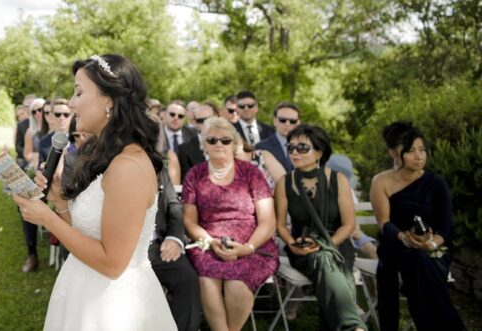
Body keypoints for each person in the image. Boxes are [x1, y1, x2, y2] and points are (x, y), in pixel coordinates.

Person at [14, 54, 174, 330]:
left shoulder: (128, 167)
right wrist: (58, 200)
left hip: (112, 307)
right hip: (83, 289)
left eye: (78, 92)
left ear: (109, 100)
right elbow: (87, 236)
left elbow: (112, 263)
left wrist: (46, 219)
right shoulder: (108, 155)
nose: (72, 103)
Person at [182, 116, 278, 331]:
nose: (218, 144)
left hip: (254, 245)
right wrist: (210, 241)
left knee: (237, 280)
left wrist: (248, 247)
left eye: (225, 140)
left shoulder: (251, 173)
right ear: (203, 144)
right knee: (207, 277)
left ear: (235, 144)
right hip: (208, 244)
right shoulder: (195, 175)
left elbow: (268, 220)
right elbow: (189, 221)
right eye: (212, 140)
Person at [370, 125, 465, 331]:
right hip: (396, 244)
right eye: (411, 150)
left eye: (422, 150)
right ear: (394, 153)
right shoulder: (381, 181)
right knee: (415, 261)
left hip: (433, 247)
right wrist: (405, 239)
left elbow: (447, 226)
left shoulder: (436, 182)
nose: (419, 156)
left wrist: (430, 243)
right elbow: (384, 224)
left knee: (421, 262)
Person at [274, 125, 364, 331]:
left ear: (320, 152)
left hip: (338, 242)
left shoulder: (338, 180)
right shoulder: (284, 183)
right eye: (291, 147)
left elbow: (348, 224)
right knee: (321, 258)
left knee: (324, 256)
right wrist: (292, 245)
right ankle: (353, 325)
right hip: (302, 247)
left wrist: (326, 244)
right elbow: (280, 224)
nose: (295, 152)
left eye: (303, 148)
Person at [150, 163, 201, 331]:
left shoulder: (157, 166)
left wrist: (174, 237)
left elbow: (174, 205)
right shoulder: (103, 162)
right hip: (121, 249)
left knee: (187, 278)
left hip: (157, 246)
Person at [20, 98, 51, 272]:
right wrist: (36, 159)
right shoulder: (31, 132)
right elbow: (27, 154)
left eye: (43, 111)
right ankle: (32, 254)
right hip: (37, 172)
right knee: (27, 199)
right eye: (36, 111)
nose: (40, 114)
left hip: (52, 178)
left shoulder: (57, 132)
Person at [255, 101, 301, 171]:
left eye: (292, 121)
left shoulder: (306, 147)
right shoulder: (261, 148)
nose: (287, 124)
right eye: (282, 120)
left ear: (298, 123)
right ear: (275, 121)